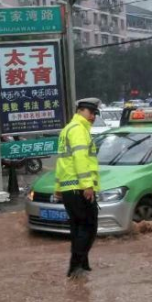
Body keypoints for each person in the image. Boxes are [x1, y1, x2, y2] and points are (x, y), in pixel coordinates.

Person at [55, 97, 101, 279]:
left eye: (95, 114)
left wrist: (58, 187)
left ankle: (82, 265)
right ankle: (75, 268)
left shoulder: (67, 130)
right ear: (81, 111)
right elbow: (80, 159)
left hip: (69, 189)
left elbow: (61, 162)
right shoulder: (79, 130)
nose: (93, 117)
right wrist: (87, 185)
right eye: (91, 113)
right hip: (79, 189)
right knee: (89, 227)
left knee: (78, 228)